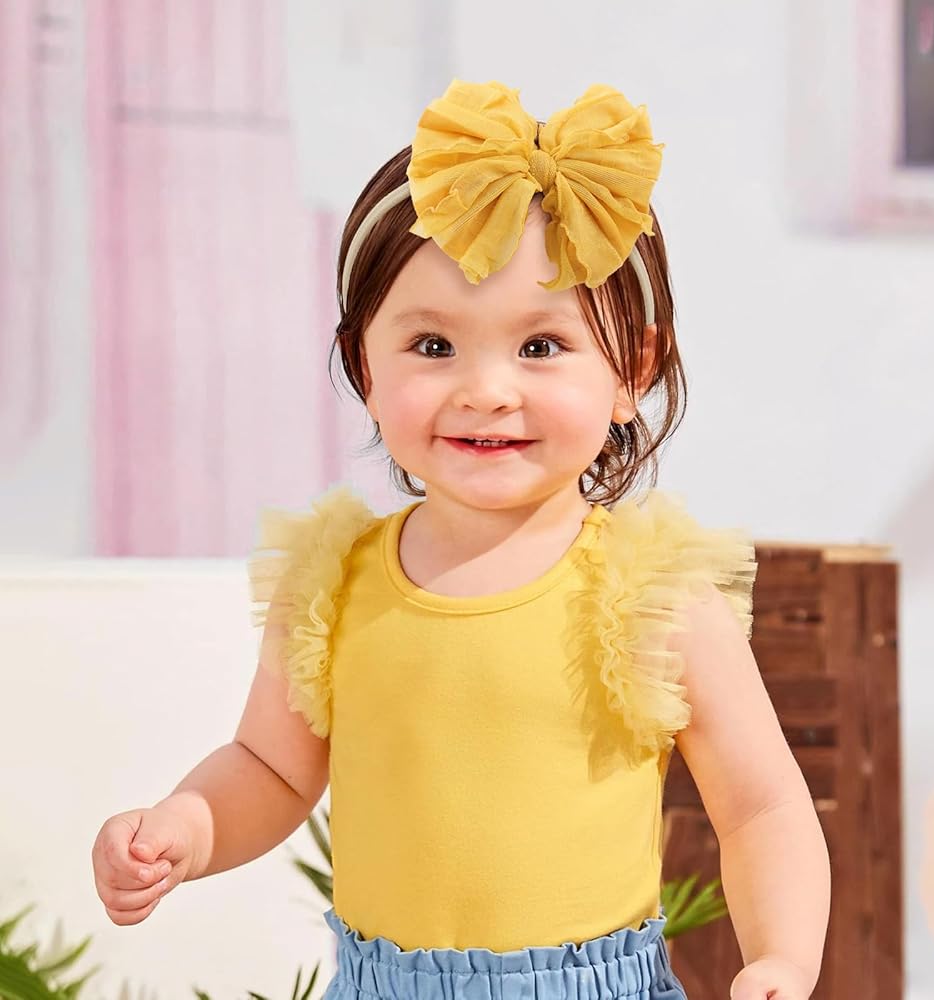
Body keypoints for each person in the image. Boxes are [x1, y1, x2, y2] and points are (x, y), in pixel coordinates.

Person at [92, 79, 830, 1000]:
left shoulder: (653, 598)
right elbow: (269, 769)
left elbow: (760, 807)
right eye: (434, 346)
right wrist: (186, 827)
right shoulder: (333, 587)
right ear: (364, 364)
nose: (486, 391)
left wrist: (782, 957)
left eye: (541, 346)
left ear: (631, 371)